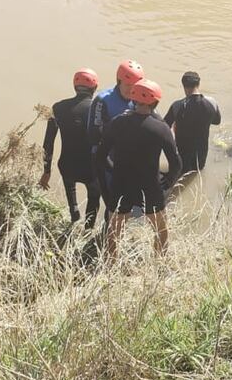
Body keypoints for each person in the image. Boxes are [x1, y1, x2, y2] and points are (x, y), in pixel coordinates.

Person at [95, 79, 182, 258]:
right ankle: (159, 263)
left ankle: (111, 265)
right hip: (150, 185)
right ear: (155, 102)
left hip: (121, 183)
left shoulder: (117, 123)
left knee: (114, 230)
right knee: (160, 229)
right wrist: (166, 184)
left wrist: (113, 170)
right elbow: (176, 164)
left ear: (133, 99)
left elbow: (100, 156)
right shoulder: (161, 128)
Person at [40, 68, 101, 228]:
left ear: (75, 86)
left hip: (67, 165)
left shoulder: (58, 108)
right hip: (92, 168)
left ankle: (73, 218)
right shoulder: (98, 110)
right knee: (94, 197)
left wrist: (46, 171)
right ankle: (88, 230)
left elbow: (48, 143)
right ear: (95, 88)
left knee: (71, 192)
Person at [88, 60, 145, 221]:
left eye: (135, 85)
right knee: (112, 204)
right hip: (105, 160)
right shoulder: (102, 100)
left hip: (127, 159)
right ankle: (106, 236)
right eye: (128, 85)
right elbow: (93, 135)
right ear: (119, 81)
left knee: (127, 203)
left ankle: (118, 234)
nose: (132, 89)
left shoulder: (139, 99)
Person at [163, 71, 221, 173]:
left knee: (180, 177)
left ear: (184, 86)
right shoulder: (212, 103)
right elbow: (217, 121)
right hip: (201, 155)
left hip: (182, 155)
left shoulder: (177, 106)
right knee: (196, 175)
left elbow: (163, 128)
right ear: (198, 84)